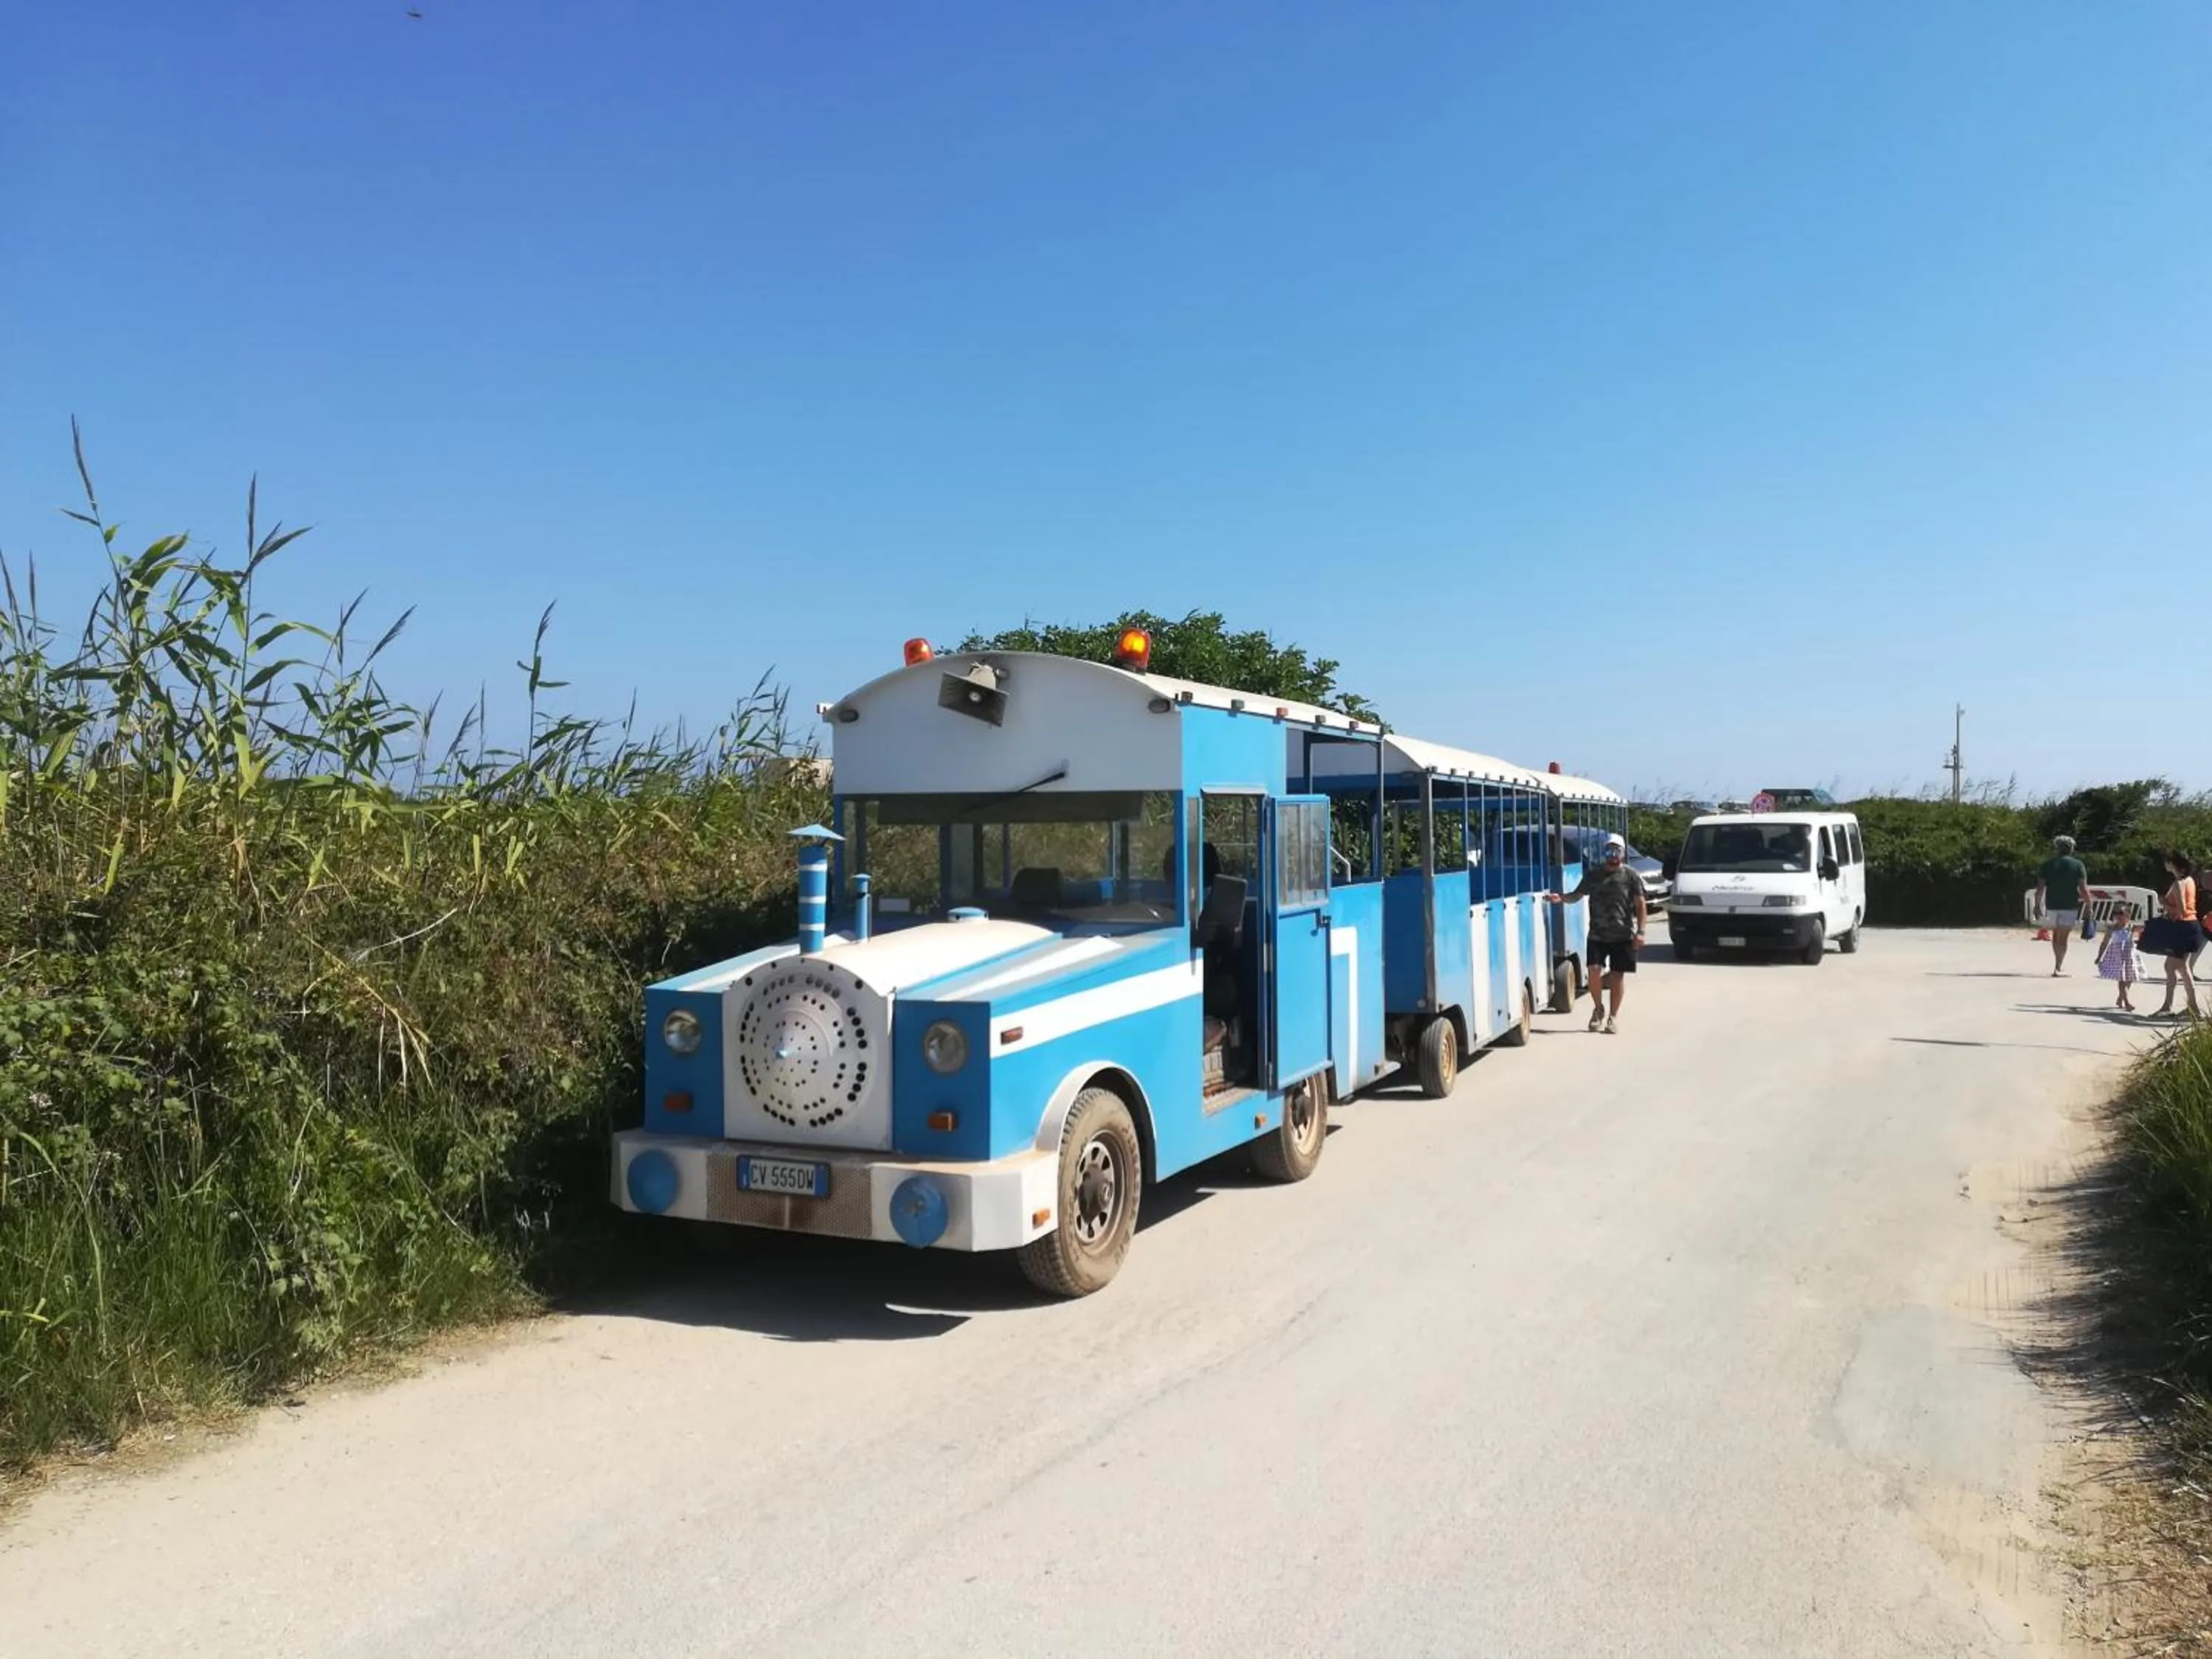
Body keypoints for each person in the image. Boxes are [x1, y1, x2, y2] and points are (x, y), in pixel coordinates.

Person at [1545, 832, 1646, 1034]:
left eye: (1617, 851)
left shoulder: (1631, 876)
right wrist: (1561, 898)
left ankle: (1613, 1017)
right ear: (1604, 853)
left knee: (1617, 976)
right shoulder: (1593, 874)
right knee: (1593, 971)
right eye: (1609, 850)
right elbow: (1577, 895)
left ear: (1623, 853)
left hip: (1623, 935)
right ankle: (1598, 1008)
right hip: (1597, 935)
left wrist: (1641, 932)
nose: (1613, 855)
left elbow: (1640, 904)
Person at [2141, 849, 2203, 1021]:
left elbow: (2182, 910)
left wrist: (2165, 902)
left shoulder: (2178, 883)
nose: (2165, 864)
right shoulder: (2190, 880)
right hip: (2191, 926)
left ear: (2174, 864)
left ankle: (2175, 1007)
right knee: (2180, 968)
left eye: (2167, 861)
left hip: (2183, 927)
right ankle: (2190, 1008)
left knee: (2175, 968)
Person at [2035, 834, 2089, 975]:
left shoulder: (2047, 865)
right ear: (2071, 849)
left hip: (2052, 905)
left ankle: (2057, 964)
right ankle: (2058, 966)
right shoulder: (2078, 865)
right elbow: (2083, 889)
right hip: (2070, 905)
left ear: (2057, 848)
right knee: (2063, 937)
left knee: (2056, 934)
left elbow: (2040, 888)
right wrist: (2089, 905)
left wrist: (2037, 906)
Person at [2095, 902, 2140, 1014]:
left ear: (2128, 916)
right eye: (2115, 913)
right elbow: (2104, 943)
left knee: (2130, 978)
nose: (2118, 916)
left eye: (2121, 913)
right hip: (2117, 956)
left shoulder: (2131, 927)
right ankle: (2127, 1002)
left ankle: (2121, 998)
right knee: (2122, 979)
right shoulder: (2112, 928)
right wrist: (2099, 956)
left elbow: (2145, 928)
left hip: (2129, 956)